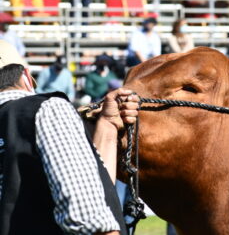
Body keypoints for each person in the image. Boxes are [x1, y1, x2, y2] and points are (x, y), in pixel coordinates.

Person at [0, 39, 140, 234]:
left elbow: (95, 189)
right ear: (25, 76)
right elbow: (90, 217)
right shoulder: (47, 109)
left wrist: (107, 125)